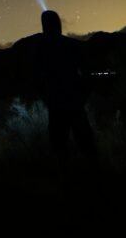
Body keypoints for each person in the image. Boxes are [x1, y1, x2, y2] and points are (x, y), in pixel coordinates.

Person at [34, 9, 95, 159]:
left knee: (61, 147)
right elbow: (87, 73)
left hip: (60, 104)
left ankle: (70, 177)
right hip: (72, 103)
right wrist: (82, 96)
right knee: (83, 144)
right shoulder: (70, 46)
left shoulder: (41, 50)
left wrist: (48, 99)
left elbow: (38, 78)